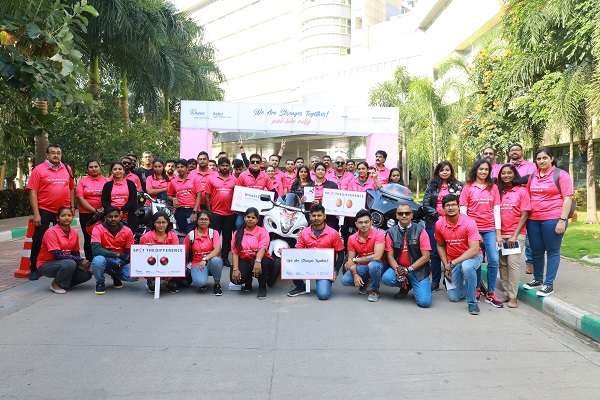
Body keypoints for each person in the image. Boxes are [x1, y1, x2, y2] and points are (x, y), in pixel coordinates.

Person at [523, 147, 573, 297]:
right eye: (538, 159)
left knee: (552, 251)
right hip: (533, 220)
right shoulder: (533, 175)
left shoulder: (561, 175)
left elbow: (568, 198)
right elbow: (528, 196)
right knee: (536, 251)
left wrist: (562, 220)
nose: (541, 161)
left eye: (545, 158)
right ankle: (538, 279)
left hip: (553, 219)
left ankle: (548, 284)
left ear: (551, 158)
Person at [26, 144, 75, 280]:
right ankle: (34, 268)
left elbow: (71, 188)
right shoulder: (38, 170)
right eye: (52, 153)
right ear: (47, 155)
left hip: (63, 211)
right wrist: (36, 213)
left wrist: (72, 205)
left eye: (58, 153)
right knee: (39, 239)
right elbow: (33, 192)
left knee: (64, 239)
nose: (56, 155)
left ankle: (62, 265)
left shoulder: (67, 169)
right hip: (45, 210)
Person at [459, 159, 503, 308]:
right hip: (473, 230)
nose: (483, 172)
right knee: (476, 259)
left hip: (490, 228)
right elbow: (463, 212)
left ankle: (490, 293)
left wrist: (498, 233)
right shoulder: (468, 188)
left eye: (486, 169)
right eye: (481, 169)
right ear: (475, 170)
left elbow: (497, 210)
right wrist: (471, 232)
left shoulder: (494, 188)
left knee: (494, 259)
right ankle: (477, 289)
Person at [435, 194, 484, 315]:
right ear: (443, 208)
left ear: (458, 206)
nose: (450, 208)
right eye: (447, 205)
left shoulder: (469, 222)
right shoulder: (439, 225)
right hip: (453, 260)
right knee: (454, 297)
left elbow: (474, 249)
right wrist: (446, 264)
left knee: (467, 267)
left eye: (453, 205)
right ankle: (472, 285)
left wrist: (452, 263)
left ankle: (472, 303)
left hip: (473, 257)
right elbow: (440, 245)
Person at [286, 204, 345, 300]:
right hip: (308, 264)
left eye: (319, 215)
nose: (316, 218)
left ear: (324, 216)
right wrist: (287, 254)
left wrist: (335, 271)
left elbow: (341, 253)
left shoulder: (333, 233)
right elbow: (298, 251)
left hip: (325, 269)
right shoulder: (304, 232)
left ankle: (322, 283)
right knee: (290, 262)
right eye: (314, 216)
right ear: (310, 217)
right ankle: (301, 286)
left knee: (323, 295)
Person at [422, 161, 463, 292]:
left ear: (451, 171)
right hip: (434, 222)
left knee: (452, 252)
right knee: (434, 253)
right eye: (442, 170)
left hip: (454, 223)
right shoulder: (432, 185)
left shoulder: (458, 186)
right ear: (438, 172)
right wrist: (438, 216)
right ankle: (435, 281)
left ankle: (450, 279)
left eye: (447, 170)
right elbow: (426, 204)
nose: (445, 172)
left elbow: (462, 204)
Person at [382, 204, 432, 307]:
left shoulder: (421, 230)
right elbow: (390, 256)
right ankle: (405, 286)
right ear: (396, 215)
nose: (404, 216)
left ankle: (412, 283)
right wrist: (398, 270)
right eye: (401, 213)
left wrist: (408, 270)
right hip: (399, 267)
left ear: (412, 215)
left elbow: (426, 256)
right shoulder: (390, 232)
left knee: (425, 303)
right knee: (387, 278)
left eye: (407, 213)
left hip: (418, 270)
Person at [36, 207, 92, 293]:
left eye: (69, 215)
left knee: (86, 274)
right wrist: (80, 260)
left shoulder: (74, 233)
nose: (66, 218)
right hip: (46, 265)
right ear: (57, 218)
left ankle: (63, 284)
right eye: (63, 215)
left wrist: (80, 264)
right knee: (70, 263)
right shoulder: (51, 232)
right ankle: (55, 284)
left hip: (65, 263)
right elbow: (57, 254)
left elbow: (75, 252)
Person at [497, 164, 530, 308]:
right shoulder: (497, 191)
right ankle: (505, 292)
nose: (506, 175)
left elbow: (525, 214)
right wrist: (498, 234)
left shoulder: (522, 191)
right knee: (502, 264)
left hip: (516, 235)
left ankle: (513, 296)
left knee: (513, 263)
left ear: (514, 174)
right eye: (503, 173)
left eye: (509, 173)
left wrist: (514, 236)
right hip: (499, 234)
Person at [230, 207, 274, 300]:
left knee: (261, 262)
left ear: (257, 220)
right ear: (244, 218)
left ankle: (262, 288)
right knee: (237, 280)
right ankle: (248, 281)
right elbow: (235, 252)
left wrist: (258, 261)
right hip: (245, 259)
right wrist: (235, 269)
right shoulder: (237, 233)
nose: (250, 219)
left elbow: (263, 248)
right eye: (248, 217)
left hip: (262, 259)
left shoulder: (263, 231)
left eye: (253, 218)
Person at [341, 209, 385, 302]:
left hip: (378, 265)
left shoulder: (379, 234)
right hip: (362, 266)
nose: (364, 225)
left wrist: (355, 260)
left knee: (373, 265)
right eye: (360, 222)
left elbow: (377, 257)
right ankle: (363, 282)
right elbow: (350, 261)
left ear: (371, 222)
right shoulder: (352, 238)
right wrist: (355, 274)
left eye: (366, 222)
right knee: (345, 280)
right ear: (356, 224)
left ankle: (375, 289)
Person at [91, 206, 137, 295]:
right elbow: (96, 250)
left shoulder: (127, 231)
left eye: (116, 216)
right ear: (105, 218)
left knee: (133, 276)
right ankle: (100, 282)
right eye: (110, 217)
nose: (113, 219)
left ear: (120, 217)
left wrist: (119, 265)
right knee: (98, 260)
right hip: (105, 259)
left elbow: (129, 254)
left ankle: (116, 276)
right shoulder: (97, 229)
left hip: (120, 261)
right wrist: (118, 255)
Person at [507, 143, 537, 274]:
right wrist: (522, 180)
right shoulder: (506, 166)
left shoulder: (531, 165)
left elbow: (531, 179)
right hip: (510, 205)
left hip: (528, 204)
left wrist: (515, 180)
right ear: (509, 153)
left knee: (529, 236)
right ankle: (509, 264)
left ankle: (530, 263)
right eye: (512, 150)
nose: (515, 152)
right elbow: (502, 181)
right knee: (512, 234)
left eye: (517, 149)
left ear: (522, 151)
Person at [205, 157, 238, 268]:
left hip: (230, 213)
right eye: (222, 165)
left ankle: (224, 258)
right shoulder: (211, 178)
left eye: (226, 165)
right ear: (218, 167)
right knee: (215, 237)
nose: (225, 167)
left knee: (228, 237)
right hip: (216, 213)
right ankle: (214, 257)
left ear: (229, 167)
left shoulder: (234, 179)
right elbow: (207, 195)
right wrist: (210, 211)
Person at [139, 211, 181, 294]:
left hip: (168, 264)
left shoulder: (173, 235)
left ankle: (170, 282)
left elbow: (176, 256)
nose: (161, 225)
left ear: (168, 223)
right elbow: (140, 256)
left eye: (164, 222)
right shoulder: (146, 236)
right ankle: (151, 282)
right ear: (154, 223)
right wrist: (146, 249)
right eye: (158, 222)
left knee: (183, 273)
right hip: (152, 266)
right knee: (153, 288)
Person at [184, 210, 224, 295]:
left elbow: (217, 250)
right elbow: (182, 251)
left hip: (211, 262)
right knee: (200, 283)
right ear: (197, 221)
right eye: (201, 219)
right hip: (197, 263)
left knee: (216, 260)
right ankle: (199, 278)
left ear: (209, 221)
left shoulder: (214, 233)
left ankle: (217, 284)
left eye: (206, 219)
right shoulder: (191, 235)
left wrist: (205, 259)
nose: (203, 221)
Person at [76, 159, 108, 261]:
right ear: (87, 169)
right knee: (88, 238)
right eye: (91, 167)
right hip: (86, 214)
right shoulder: (82, 181)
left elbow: (111, 197)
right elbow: (80, 198)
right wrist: (95, 211)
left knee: (104, 238)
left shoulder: (107, 181)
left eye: (96, 166)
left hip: (104, 214)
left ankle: (104, 262)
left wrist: (103, 210)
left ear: (99, 167)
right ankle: (89, 261)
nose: (93, 169)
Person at [235, 153, 273, 228]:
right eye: (253, 162)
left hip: (259, 209)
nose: (255, 163)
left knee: (257, 228)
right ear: (250, 163)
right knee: (239, 225)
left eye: (257, 162)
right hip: (243, 208)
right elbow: (237, 191)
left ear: (261, 163)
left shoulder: (265, 176)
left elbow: (272, 190)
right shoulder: (243, 175)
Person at [101, 161, 139, 234]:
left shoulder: (130, 184)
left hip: (127, 217)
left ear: (124, 170)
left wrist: (122, 211)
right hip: (112, 217)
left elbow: (133, 199)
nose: (117, 171)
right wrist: (113, 212)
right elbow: (104, 201)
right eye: (115, 169)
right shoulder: (107, 185)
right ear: (111, 171)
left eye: (120, 169)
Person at [166, 159, 201, 233]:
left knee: (190, 233)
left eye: (182, 167)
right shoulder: (173, 181)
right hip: (179, 211)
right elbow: (169, 195)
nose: (179, 169)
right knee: (181, 233)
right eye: (178, 167)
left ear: (187, 167)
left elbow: (199, 196)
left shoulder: (194, 178)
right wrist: (174, 199)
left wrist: (194, 212)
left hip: (192, 210)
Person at [303, 162, 339, 230]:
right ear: (314, 171)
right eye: (318, 169)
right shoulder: (308, 186)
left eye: (322, 170)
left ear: (325, 172)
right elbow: (306, 205)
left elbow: (335, 202)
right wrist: (303, 201)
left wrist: (320, 203)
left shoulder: (332, 185)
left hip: (329, 218)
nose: (320, 171)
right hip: (313, 217)